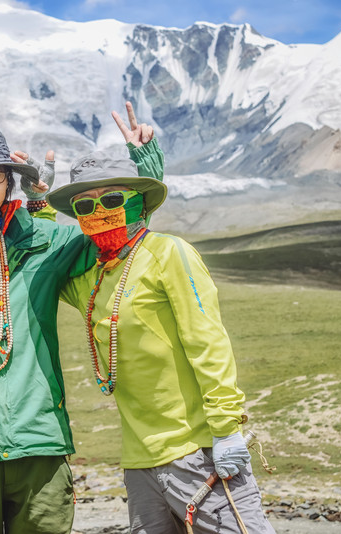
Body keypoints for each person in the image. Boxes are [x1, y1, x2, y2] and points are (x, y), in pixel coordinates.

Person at [0, 120, 164, 533]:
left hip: (41, 443)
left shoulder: (44, 243)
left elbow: (115, 230)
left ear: (10, 182)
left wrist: (146, 166)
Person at [43, 146, 276, 534]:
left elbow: (208, 340)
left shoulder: (169, 252)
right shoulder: (92, 280)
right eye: (84, 206)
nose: (99, 212)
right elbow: (44, 269)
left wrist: (226, 428)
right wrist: (40, 207)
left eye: (113, 199)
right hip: (139, 462)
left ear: (138, 203)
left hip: (199, 451)